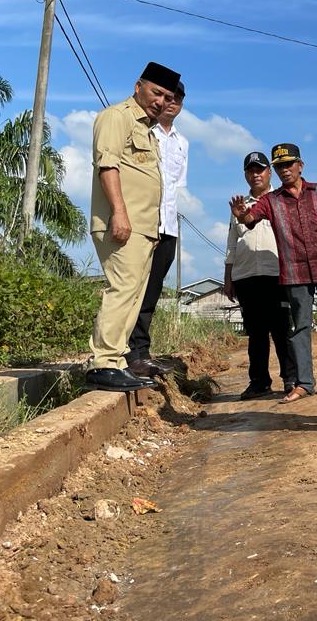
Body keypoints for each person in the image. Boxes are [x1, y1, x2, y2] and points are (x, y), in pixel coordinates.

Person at [229, 143, 317, 404]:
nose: (284, 170)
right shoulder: (271, 200)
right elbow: (251, 219)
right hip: (294, 273)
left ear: (300, 166)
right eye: (279, 165)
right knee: (300, 327)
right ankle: (304, 383)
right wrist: (242, 215)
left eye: (288, 164)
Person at [87, 62, 181, 392]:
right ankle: (103, 362)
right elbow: (107, 165)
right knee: (123, 288)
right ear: (138, 85)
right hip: (121, 223)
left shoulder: (147, 130)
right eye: (156, 92)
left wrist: (151, 229)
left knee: (134, 295)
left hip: (144, 230)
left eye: (167, 97)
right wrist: (119, 213)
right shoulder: (117, 117)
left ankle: (117, 361)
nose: (160, 101)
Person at [125, 80, 188, 378]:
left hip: (169, 225)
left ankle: (141, 351)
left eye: (177, 98)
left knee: (152, 290)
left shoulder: (181, 143)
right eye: (166, 96)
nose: (171, 102)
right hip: (142, 223)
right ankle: (124, 351)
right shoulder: (140, 131)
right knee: (132, 286)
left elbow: (176, 186)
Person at [224, 151, 294, 400]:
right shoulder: (239, 205)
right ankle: (259, 381)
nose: (255, 175)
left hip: (276, 273)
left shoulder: (281, 199)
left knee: (282, 329)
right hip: (245, 276)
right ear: (245, 175)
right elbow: (232, 244)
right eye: (250, 171)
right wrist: (228, 278)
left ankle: (291, 378)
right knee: (255, 332)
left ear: (268, 172)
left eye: (260, 170)